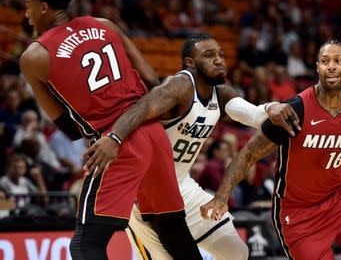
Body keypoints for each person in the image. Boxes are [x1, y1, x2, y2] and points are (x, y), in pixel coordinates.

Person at [19, 0, 201, 260]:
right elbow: (153, 82)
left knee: (85, 244)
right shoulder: (104, 25)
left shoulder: (34, 56)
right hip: (153, 134)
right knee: (172, 229)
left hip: (115, 141)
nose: (26, 13)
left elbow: (69, 128)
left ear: (43, 8)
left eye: (28, 5)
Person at [200, 40, 341, 259]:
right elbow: (247, 155)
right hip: (298, 213)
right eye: (325, 61)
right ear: (317, 68)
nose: (331, 67)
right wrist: (221, 197)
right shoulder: (294, 112)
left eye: (338, 61)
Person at [83, 33, 300, 259]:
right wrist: (114, 138)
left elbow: (252, 115)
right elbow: (142, 107)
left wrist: (272, 107)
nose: (218, 60)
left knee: (237, 251)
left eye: (220, 55)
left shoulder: (222, 93)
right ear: (190, 62)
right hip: (146, 197)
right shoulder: (179, 87)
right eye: (208, 55)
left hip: (183, 186)